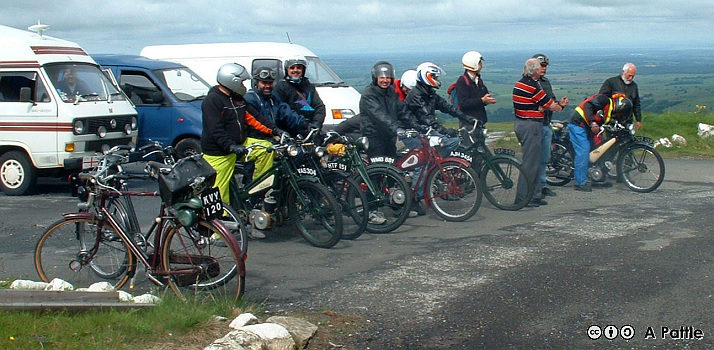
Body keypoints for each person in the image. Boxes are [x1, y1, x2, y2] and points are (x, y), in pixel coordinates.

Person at [201, 63, 286, 240]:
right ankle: (217, 234)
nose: (245, 86)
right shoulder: (213, 101)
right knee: (219, 195)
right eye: (243, 82)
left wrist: (275, 130)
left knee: (266, 149)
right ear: (232, 81)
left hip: (240, 143)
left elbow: (255, 118)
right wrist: (230, 146)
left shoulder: (237, 98)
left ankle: (256, 190)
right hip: (219, 152)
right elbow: (215, 130)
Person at [405, 62, 476, 215]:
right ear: (426, 76)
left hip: (425, 131)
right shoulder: (416, 95)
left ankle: (435, 170)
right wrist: (445, 130)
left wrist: (467, 118)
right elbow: (426, 119)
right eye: (435, 76)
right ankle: (413, 200)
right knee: (423, 164)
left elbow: (447, 107)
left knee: (453, 142)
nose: (437, 79)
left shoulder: (429, 93)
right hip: (413, 131)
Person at [512, 58, 563, 207]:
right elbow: (551, 105)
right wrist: (556, 106)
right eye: (540, 67)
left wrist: (543, 106)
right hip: (531, 126)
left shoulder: (520, 83)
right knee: (530, 164)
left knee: (532, 162)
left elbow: (544, 104)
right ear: (535, 71)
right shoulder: (533, 87)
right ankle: (523, 198)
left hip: (522, 124)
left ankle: (533, 196)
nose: (542, 69)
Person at [568, 94, 632, 192]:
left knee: (599, 149)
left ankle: (596, 177)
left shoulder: (612, 111)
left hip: (588, 127)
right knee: (584, 151)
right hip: (578, 123)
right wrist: (593, 122)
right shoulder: (603, 100)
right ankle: (579, 183)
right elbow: (587, 106)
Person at [532, 54, 569, 198]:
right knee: (534, 159)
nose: (544, 69)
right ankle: (533, 189)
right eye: (542, 66)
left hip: (546, 124)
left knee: (544, 158)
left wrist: (559, 104)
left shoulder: (545, 82)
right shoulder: (530, 83)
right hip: (535, 125)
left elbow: (550, 100)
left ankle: (542, 186)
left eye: (545, 66)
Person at [243, 66, 309, 138]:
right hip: (258, 139)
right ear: (256, 83)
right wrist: (275, 132)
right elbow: (255, 123)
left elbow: (287, 113)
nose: (268, 86)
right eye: (264, 83)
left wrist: (305, 124)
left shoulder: (273, 97)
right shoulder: (250, 99)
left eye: (270, 83)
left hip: (274, 135)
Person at [274, 56, 327, 132]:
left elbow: (319, 106)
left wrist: (316, 123)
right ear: (287, 70)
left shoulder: (309, 86)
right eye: (292, 68)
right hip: (290, 130)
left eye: (299, 68)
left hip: (310, 129)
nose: (295, 70)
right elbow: (283, 111)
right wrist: (304, 124)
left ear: (303, 70)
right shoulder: (280, 87)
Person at [454, 51, 497, 127]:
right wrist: (482, 100)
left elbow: (483, 96)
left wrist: (487, 100)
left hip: (479, 121)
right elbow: (463, 103)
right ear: (473, 64)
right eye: (479, 63)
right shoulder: (462, 81)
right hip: (468, 122)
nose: (481, 66)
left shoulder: (478, 80)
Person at [599, 63, 642, 130]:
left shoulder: (634, 86)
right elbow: (601, 99)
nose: (630, 78)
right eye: (629, 75)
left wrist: (638, 120)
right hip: (613, 120)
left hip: (628, 120)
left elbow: (636, 104)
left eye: (633, 76)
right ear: (623, 72)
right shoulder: (610, 82)